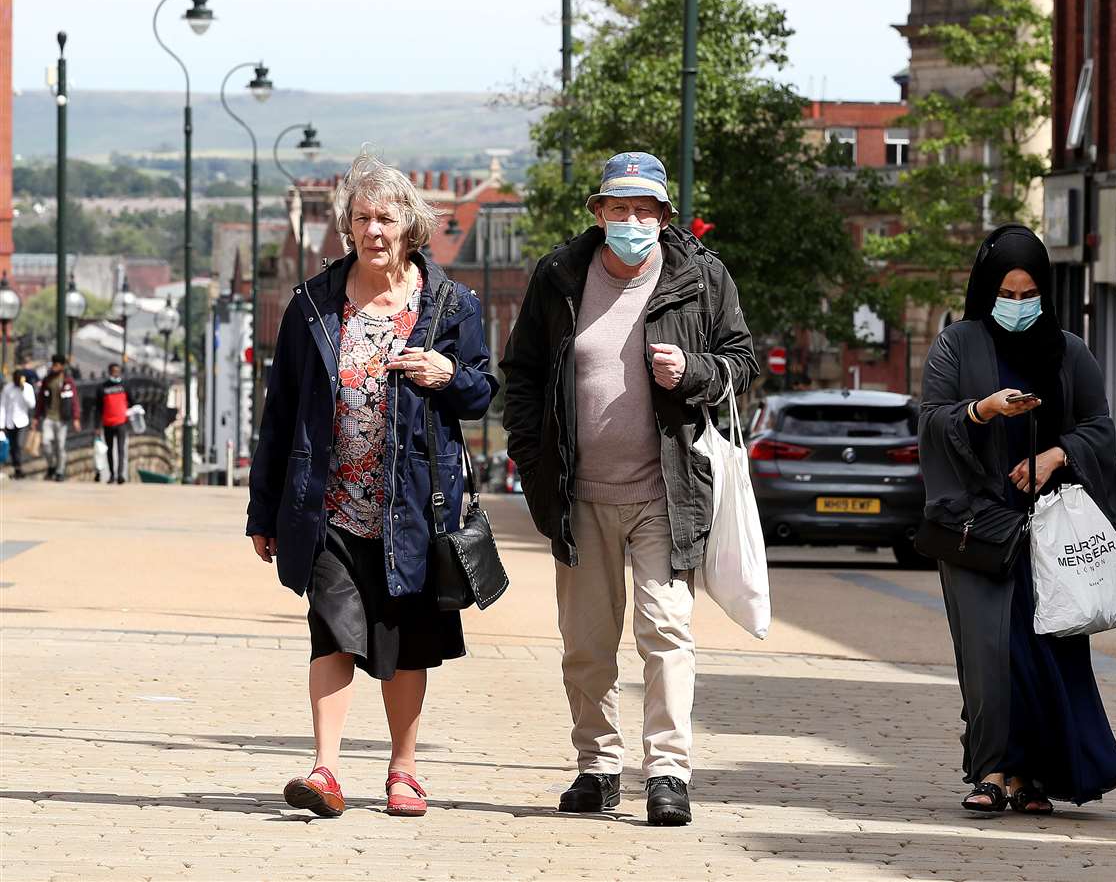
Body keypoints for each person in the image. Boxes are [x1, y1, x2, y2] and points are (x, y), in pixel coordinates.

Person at [501, 151, 756, 826]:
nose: (632, 221)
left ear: (664, 216)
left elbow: (742, 364)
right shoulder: (559, 276)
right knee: (585, 642)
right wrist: (532, 466)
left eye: (645, 210)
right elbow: (521, 375)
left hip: (665, 491)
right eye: (620, 209)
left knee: (665, 631)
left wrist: (695, 370)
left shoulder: (701, 276)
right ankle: (598, 766)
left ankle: (668, 771)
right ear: (598, 213)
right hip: (578, 492)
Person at [248, 150, 495, 819]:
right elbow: (281, 413)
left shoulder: (451, 305)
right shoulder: (312, 306)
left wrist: (447, 374)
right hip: (326, 504)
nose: (373, 230)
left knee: (404, 639)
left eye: (385, 217)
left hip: (414, 508)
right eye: (362, 217)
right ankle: (325, 770)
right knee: (331, 629)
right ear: (347, 226)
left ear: (410, 226)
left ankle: (403, 770)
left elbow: (481, 393)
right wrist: (263, 511)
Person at [918, 224, 1116, 815]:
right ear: (986, 289)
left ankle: (1029, 775)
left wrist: (1056, 453)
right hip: (977, 527)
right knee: (988, 653)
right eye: (1007, 293)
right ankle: (990, 769)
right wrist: (980, 411)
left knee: (1045, 652)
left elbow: (1099, 426)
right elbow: (932, 419)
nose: (1017, 305)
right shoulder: (956, 345)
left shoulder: (1068, 350)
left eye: (1028, 293)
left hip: (1048, 529)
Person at [36, 354, 80, 481]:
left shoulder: (68, 381)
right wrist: (36, 417)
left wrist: (76, 418)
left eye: (56, 365)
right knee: (46, 443)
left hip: (62, 418)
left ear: (62, 366)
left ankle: (60, 471)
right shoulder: (47, 380)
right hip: (48, 417)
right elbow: (40, 400)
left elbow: (74, 400)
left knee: (60, 446)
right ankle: (51, 466)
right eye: (53, 364)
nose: (54, 367)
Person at [98, 363, 135, 485]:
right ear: (109, 372)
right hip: (107, 422)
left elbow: (132, 401)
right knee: (109, 450)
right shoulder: (103, 387)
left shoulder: (125, 385)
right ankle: (112, 475)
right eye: (113, 371)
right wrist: (97, 426)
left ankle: (120, 474)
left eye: (117, 371)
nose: (116, 373)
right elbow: (98, 407)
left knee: (121, 449)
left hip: (121, 422)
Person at [1, 369, 36, 479]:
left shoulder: (28, 388)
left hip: (22, 421)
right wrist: (1, 424)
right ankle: (17, 468)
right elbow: (2, 406)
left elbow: (31, 404)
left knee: (19, 444)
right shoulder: (7, 389)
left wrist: (23, 390)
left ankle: (19, 467)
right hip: (9, 421)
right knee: (12, 445)